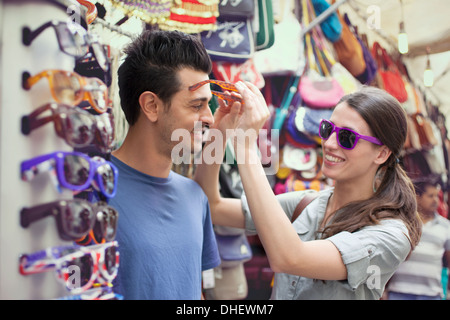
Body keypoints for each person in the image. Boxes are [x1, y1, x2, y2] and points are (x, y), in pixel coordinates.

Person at [194, 85, 423, 299]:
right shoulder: (307, 204)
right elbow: (212, 206)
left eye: (347, 138)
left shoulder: (390, 235)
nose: (330, 143)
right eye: (327, 129)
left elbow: (289, 258)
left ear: (382, 154)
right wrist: (219, 132)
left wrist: (245, 148)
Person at [109, 30, 223, 299]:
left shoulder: (195, 196)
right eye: (197, 105)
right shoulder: (94, 191)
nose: (209, 118)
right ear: (151, 106)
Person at [387, 176, 450, 300]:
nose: (435, 200)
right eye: (431, 196)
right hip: (399, 291)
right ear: (418, 197)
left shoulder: (446, 226)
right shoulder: (402, 222)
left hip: (431, 294)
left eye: (437, 196)